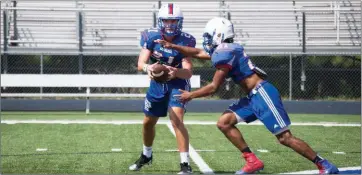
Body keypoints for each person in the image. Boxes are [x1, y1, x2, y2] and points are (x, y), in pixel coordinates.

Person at [155, 17, 339, 174]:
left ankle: (323, 164)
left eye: (209, 36)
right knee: (224, 123)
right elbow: (197, 52)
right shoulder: (227, 49)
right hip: (253, 96)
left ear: (218, 34)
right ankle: (252, 161)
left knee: (285, 138)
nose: (207, 40)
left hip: (262, 93)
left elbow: (213, 87)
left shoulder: (224, 52)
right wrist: (173, 46)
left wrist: (191, 95)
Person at [128, 3, 196, 174]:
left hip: (177, 81)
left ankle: (185, 164)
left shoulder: (186, 40)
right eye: (167, 20)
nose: (170, 25)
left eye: (174, 21)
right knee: (148, 122)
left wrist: (176, 72)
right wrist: (148, 69)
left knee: (176, 119)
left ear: (179, 22)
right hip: (157, 83)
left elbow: (188, 72)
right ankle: (146, 155)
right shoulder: (151, 36)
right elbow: (140, 64)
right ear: (160, 21)